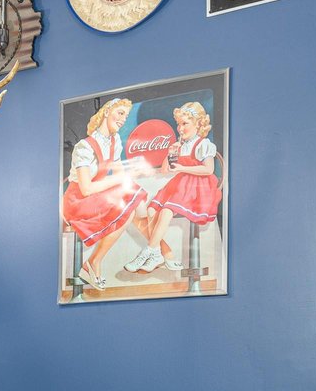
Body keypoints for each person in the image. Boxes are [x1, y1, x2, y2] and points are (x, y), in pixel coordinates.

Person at [62, 99, 150, 288]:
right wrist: (127, 179)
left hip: (94, 195)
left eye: (126, 116)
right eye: (120, 113)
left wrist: (133, 172)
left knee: (134, 201)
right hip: (78, 199)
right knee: (131, 205)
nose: (123, 119)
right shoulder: (83, 147)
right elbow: (86, 188)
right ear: (107, 112)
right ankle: (94, 262)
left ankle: (155, 249)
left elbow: (120, 175)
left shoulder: (114, 141)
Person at [126, 102, 221, 275]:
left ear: (198, 124)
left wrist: (183, 168)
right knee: (151, 211)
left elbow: (209, 169)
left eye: (185, 123)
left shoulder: (203, 144)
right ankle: (159, 254)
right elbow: (165, 170)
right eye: (178, 123)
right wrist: (170, 153)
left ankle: (148, 251)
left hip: (198, 188)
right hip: (180, 185)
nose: (180, 128)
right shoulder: (180, 145)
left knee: (167, 210)